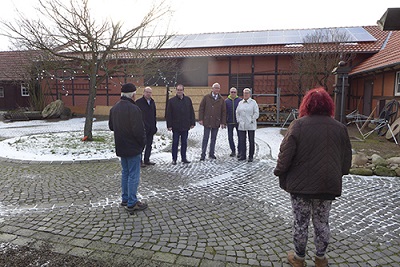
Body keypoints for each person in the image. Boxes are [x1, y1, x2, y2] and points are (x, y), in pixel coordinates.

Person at [273, 87, 352, 267]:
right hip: (327, 185)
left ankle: (299, 258)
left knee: (300, 222)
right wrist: (339, 172)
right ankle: (320, 258)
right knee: (322, 222)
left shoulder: (298, 125)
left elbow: (285, 153)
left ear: (306, 105)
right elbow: (346, 158)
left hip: (301, 186)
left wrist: (279, 171)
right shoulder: (340, 128)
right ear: (328, 106)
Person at [108, 83, 148, 213]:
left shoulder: (114, 108)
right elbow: (138, 130)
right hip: (133, 147)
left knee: (125, 173)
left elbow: (111, 127)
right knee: (133, 175)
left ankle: (125, 199)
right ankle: (131, 202)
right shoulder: (134, 109)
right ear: (132, 95)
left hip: (121, 145)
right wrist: (142, 143)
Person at [166, 84, 196, 165]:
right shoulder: (171, 101)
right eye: (178, 90)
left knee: (184, 143)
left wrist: (192, 122)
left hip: (185, 126)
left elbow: (191, 112)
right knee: (175, 143)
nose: (179, 91)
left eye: (181, 90)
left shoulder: (188, 100)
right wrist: (169, 125)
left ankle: (184, 158)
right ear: (176, 90)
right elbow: (169, 114)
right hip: (175, 126)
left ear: (183, 90)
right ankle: (174, 159)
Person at [198, 82, 227, 160]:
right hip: (207, 121)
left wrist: (223, 122)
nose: (217, 89)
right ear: (212, 89)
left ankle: (211, 153)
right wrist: (200, 119)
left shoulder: (221, 100)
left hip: (216, 121)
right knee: (205, 138)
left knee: (213, 138)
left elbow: (224, 112)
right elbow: (201, 108)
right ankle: (203, 154)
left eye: (218, 88)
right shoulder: (206, 97)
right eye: (215, 88)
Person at [136, 86, 157, 167]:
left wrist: (154, 126)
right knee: (141, 145)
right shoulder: (139, 102)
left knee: (149, 145)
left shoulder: (152, 102)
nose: (148, 94)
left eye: (150, 92)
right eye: (147, 92)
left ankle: (147, 159)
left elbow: (154, 115)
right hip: (143, 127)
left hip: (151, 127)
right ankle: (139, 161)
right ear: (144, 92)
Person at [236, 88, 259, 162]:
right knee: (242, 140)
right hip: (242, 124)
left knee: (251, 141)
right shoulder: (240, 103)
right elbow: (237, 112)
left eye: (247, 93)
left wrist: (252, 119)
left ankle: (251, 156)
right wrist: (238, 120)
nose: (245, 95)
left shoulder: (253, 102)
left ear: (250, 94)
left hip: (250, 124)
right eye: (244, 93)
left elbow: (256, 113)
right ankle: (243, 155)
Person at [225, 87, 242, 157]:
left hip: (238, 122)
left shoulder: (240, 101)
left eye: (234, 92)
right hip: (229, 122)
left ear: (236, 93)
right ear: (229, 92)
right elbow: (224, 112)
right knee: (230, 137)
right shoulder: (226, 101)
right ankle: (233, 151)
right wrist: (224, 121)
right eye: (232, 92)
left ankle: (239, 151)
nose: (233, 93)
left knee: (240, 137)